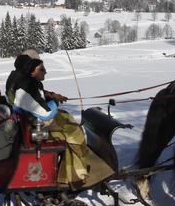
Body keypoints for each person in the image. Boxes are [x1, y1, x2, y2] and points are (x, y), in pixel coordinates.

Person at [9, 58, 113, 188]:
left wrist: (52, 96)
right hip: (36, 126)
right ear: (31, 71)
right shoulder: (26, 86)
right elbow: (45, 113)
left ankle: (76, 164)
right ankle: (76, 176)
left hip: (32, 122)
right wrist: (54, 103)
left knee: (67, 116)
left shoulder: (25, 81)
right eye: (41, 69)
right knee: (75, 133)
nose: (45, 72)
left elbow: (37, 96)